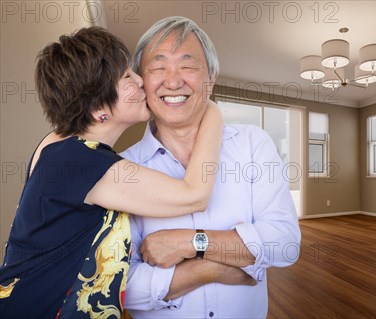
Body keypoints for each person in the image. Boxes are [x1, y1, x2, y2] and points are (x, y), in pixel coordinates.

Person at [0, 27, 223, 319]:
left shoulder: (57, 144)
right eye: (127, 77)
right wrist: (212, 109)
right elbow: (194, 195)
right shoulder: (82, 162)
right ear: (97, 107)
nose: (141, 81)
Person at [121, 16, 301, 318]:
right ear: (141, 81)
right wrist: (208, 269)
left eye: (188, 66)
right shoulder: (123, 168)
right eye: (158, 66)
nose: (173, 80)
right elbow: (120, 285)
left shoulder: (253, 144)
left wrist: (190, 243)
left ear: (211, 77)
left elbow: (284, 243)